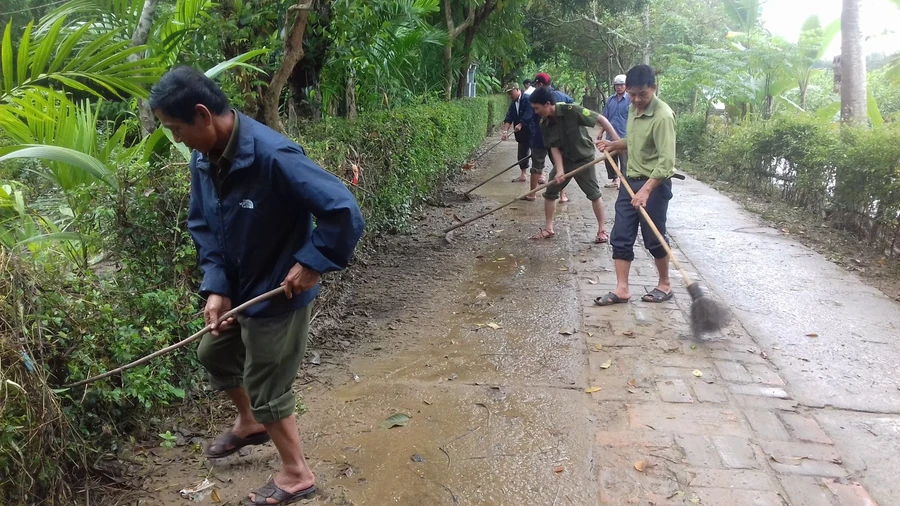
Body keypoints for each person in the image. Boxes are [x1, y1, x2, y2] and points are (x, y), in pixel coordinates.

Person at [148, 66, 365, 505]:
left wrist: (312, 263)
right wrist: (217, 286)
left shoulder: (273, 156)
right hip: (239, 289)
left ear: (203, 115)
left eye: (175, 129)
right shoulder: (204, 157)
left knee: (266, 382)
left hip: (278, 293)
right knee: (215, 352)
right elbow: (204, 226)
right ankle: (250, 424)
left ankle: (296, 474)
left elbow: (343, 210)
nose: (175, 139)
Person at [595, 65, 676, 306]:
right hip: (630, 182)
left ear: (654, 88)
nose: (637, 100)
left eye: (642, 94)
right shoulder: (632, 108)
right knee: (620, 235)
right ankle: (622, 289)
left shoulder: (663, 116)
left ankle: (665, 284)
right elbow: (635, 140)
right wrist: (614, 145)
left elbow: (666, 162)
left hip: (655, 185)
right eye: (632, 94)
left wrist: (646, 190)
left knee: (654, 237)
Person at [528, 87, 620, 242]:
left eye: (537, 108)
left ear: (547, 104)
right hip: (565, 159)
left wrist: (616, 141)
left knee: (594, 194)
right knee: (550, 192)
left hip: (584, 158)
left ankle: (602, 230)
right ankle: (548, 228)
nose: (536, 112)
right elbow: (554, 147)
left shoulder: (572, 110)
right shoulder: (544, 123)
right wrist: (560, 170)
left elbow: (600, 119)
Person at [531, 72, 574, 202]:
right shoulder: (564, 96)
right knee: (559, 165)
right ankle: (563, 195)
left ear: (540, 84)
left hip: (540, 136)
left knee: (537, 165)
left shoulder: (537, 98)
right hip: (559, 138)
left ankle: (532, 194)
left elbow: (533, 118)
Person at [601, 74, 630, 189]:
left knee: (624, 161)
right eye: (617, 85)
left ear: (626, 86)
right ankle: (614, 179)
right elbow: (605, 118)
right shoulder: (610, 100)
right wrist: (601, 132)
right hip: (610, 137)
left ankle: (624, 182)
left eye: (621, 85)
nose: (619, 87)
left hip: (624, 135)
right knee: (609, 159)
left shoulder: (630, 100)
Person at [501, 84, 533, 182]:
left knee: (537, 153)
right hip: (520, 134)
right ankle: (523, 174)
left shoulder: (528, 99)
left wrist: (521, 124)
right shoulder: (513, 103)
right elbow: (509, 117)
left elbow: (529, 113)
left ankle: (540, 174)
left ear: (517, 89)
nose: (510, 95)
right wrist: (505, 131)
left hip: (532, 131)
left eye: (511, 92)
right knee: (522, 153)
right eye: (508, 93)